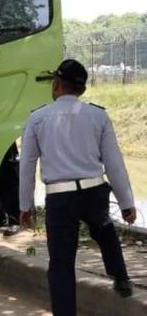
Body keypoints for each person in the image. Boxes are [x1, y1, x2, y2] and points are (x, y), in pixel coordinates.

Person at [19, 59, 137, 316]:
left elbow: (27, 167)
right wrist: (127, 203)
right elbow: (114, 163)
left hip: (60, 199)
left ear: (57, 84)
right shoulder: (98, 116)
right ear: (81, 90)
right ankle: (121, 278)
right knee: (105, 232)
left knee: (61, 264)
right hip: (94, 192)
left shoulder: (37, 119)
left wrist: (25, 206)